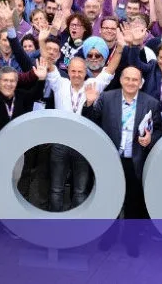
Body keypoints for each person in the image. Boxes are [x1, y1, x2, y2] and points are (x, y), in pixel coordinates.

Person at [83, 66, 162, 257]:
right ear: (120, 80)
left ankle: (131, 239)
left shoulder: (151, 103)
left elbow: (160, 129)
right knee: (110, 200)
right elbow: (91, 122)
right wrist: (89, 104)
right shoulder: (107, 98)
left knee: (133, 203)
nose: (130, 82)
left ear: (141, 82)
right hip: (111, 159)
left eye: (135, 79)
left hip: (135, 160)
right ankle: (109, 236)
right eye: (127, 78)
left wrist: (150, 139)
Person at [0, 37, 47, 243]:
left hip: (16, 153)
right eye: (5, 80)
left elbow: (36, 93)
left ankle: (8, 224)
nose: (8, 84)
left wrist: (41, 78)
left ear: (16, 83)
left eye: (12, 81)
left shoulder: (22, 98)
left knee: (12, 189)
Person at [45, 43, 122, 212]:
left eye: (80, 71)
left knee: (80, 191)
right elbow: (49, 64)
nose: (77, 74)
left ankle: (76, 228)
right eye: (73, 71)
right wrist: (43, 40)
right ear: (69, 71)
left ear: (85, 71)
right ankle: (53, 226)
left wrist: (121, 47)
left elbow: (109, 69)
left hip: (84, 145)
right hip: (60, 144)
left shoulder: (93, 85)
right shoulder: (60, 84)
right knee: (56, 188)